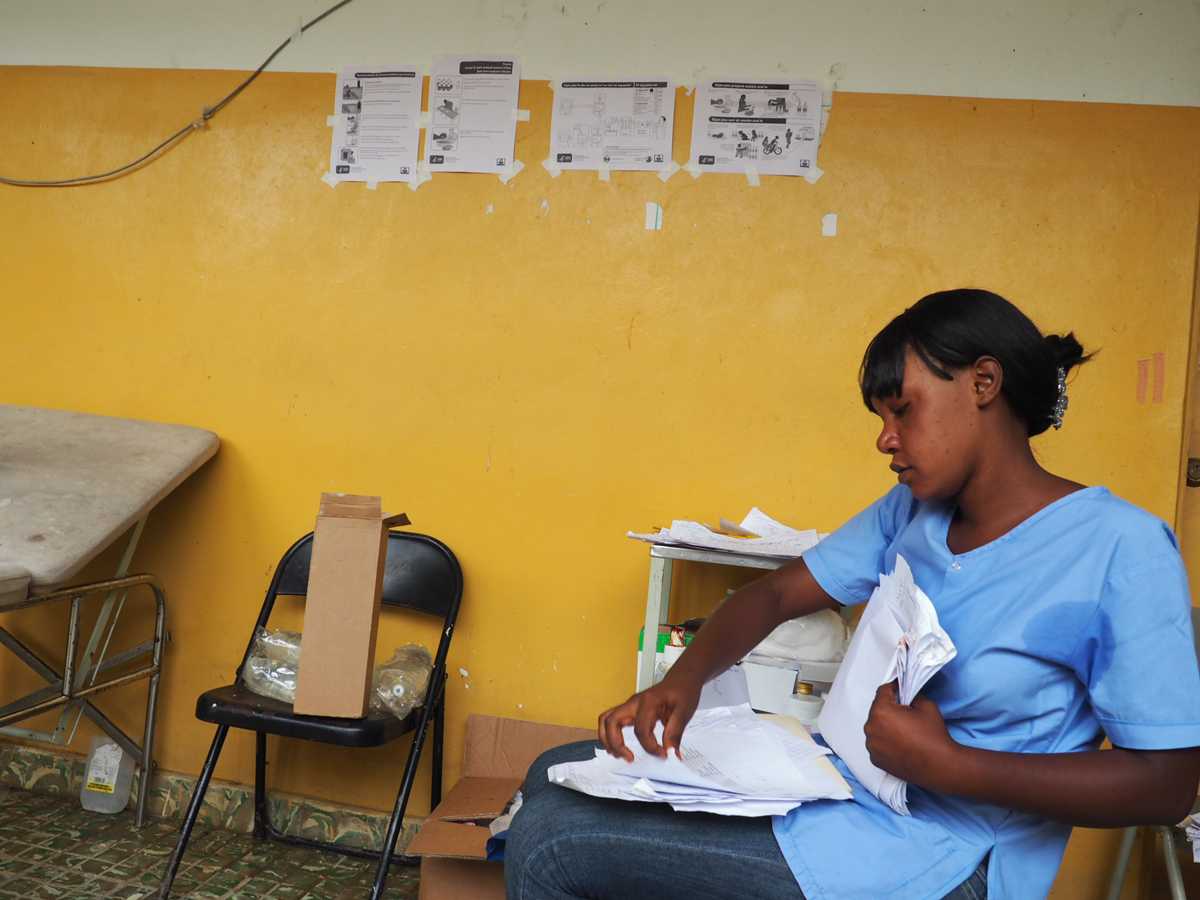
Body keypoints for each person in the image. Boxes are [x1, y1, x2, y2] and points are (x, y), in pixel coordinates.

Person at [504, 289, 1200, 900]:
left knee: (550, 843)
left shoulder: (1120, 549)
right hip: (848, 793)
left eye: (903, 410)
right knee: (554, 771)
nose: (884, 440)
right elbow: (775, 595)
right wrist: (684, 680)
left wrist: (951, 766)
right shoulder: (914, 512)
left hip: (947, 858)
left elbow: (1167, 784)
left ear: (983, 383)